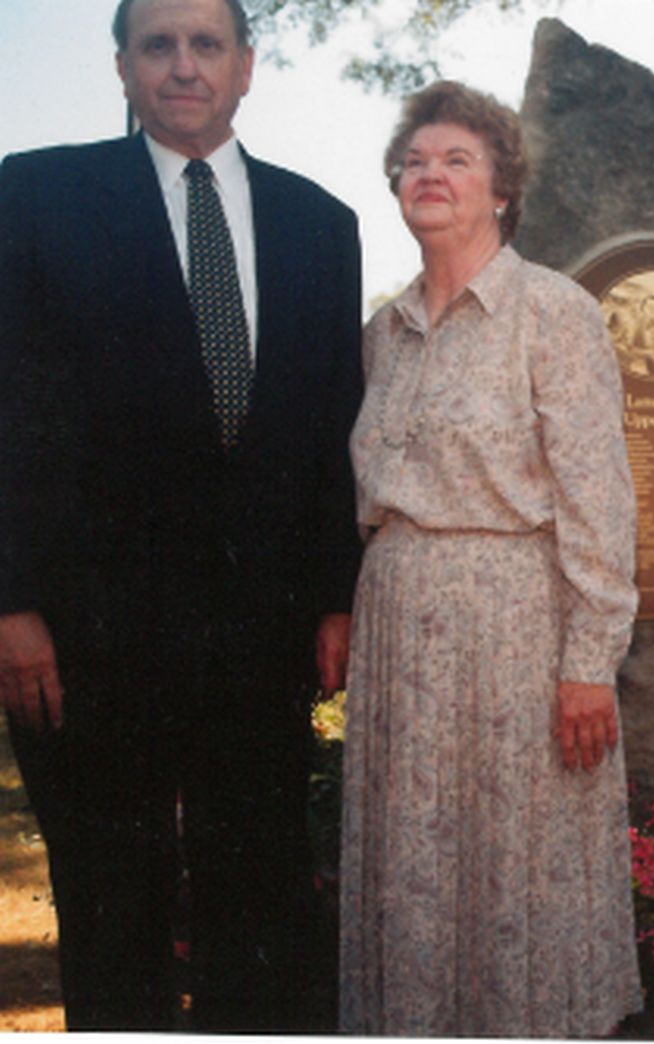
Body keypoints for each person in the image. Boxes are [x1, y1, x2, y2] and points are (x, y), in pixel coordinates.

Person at [0, 0, 363, 1030]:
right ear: (122, 67)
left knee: (263, 904)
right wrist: (8, 598)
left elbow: (333, 424)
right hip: (84, 637)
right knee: (113, 905)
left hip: (260, 635)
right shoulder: (31, 196)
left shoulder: (320, 224)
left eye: (208, 45)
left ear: (247, 67)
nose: (184, 67)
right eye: (158, 45)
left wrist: (335, 597)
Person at [338, 80, 642, 1037]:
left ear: (502, 190)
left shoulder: (552, 312)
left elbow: (599, 500)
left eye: (457, 159)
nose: (431, 174)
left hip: (514, 632)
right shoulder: (380, 335)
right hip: (398, 629)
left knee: (522, 869)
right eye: (416, 160)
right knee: (413, 872)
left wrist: (589, 663)